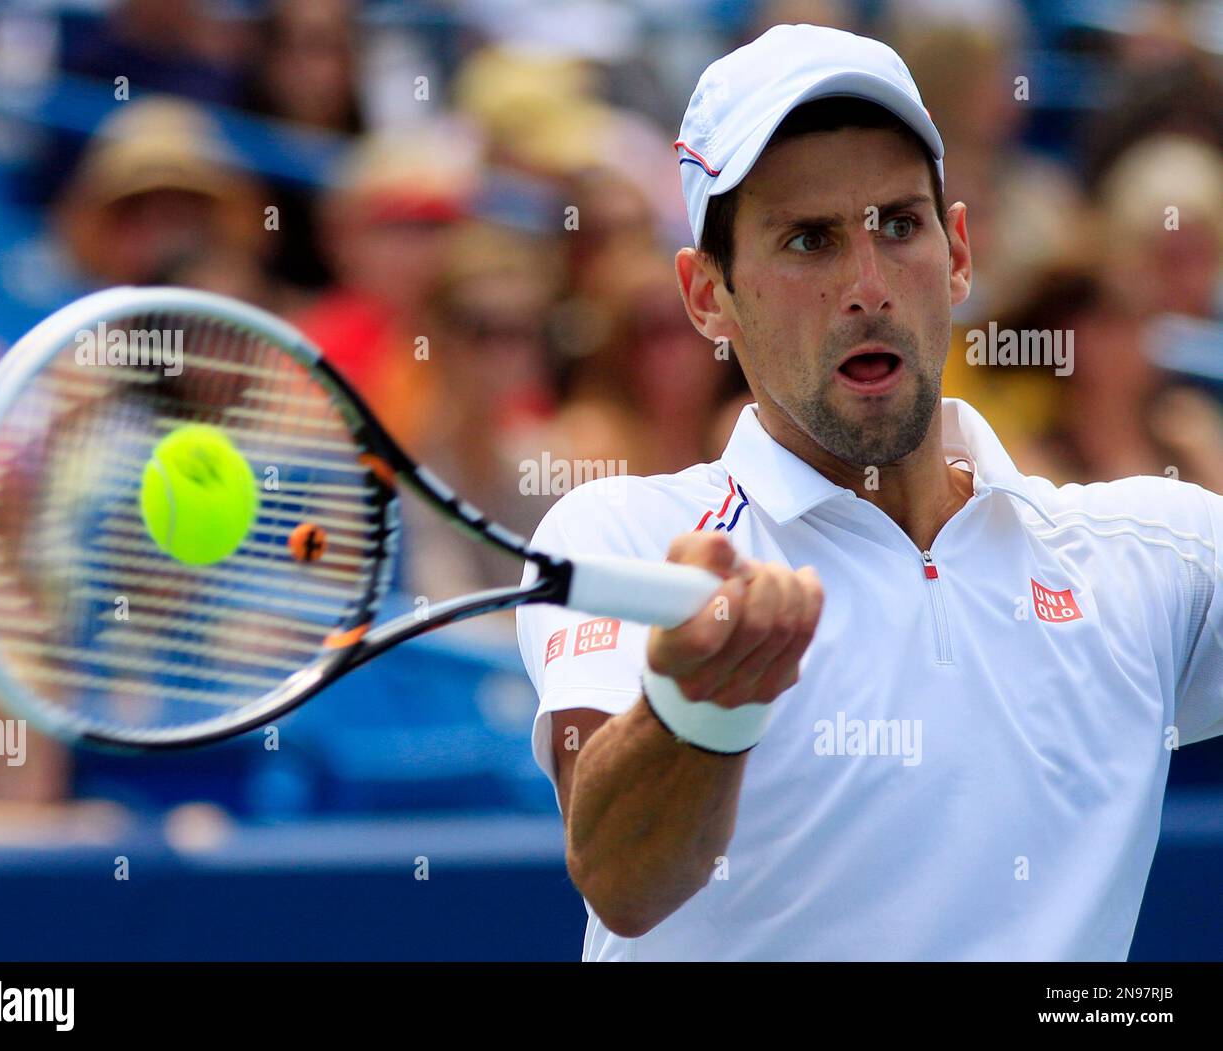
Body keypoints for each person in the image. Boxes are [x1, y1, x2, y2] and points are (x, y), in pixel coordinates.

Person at [515, 23, 1223, 961]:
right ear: (706, 294)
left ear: (959, 250)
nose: (867, 283)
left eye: (899, 224)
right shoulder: (617, 535)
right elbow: (621, 879)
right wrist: (701, 703)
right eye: (808, 240)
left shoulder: (1159, 559)